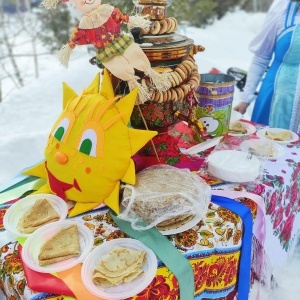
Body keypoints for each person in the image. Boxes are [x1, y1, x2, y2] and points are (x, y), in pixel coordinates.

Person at [234, 0, 300, 132]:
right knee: (267, 147)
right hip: (275, 96)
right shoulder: (282, 11)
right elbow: (261, 57)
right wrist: (245, 98)